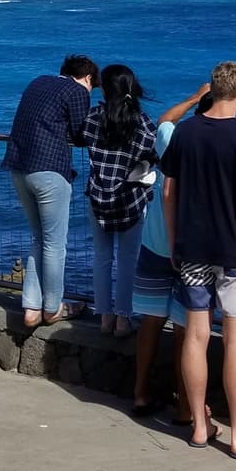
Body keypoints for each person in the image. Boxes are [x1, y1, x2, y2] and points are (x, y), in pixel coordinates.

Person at [162, 61, 236, 458]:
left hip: (192, 248)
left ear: (211, 89)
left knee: (195, 335)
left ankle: (199, 424)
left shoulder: (185, 131)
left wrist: (175, 243)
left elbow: (169, 194)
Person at [128, 84, 206, 419]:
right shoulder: (211, 148)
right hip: (190, 250)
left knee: (151, 322)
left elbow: (164, 120)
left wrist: (192, 97)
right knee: (185, 329)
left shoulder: (173, 139)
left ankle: (140, 392)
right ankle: (186, 406)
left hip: (155, 244)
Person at [3, 55, 96, 327]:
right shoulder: (77, 90)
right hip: (50, 170)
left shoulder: (38, 81)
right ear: (88, 78)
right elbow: (80, 134)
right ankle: (52, 308)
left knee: (38, 238)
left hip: (19, 167)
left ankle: (32, 308)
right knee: (55, 244)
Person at [82, 64, 158, 337]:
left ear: (104, 88)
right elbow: (153, 148)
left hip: (98, 196)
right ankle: (123, 320)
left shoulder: (93, 117)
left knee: (101, 257)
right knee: (128, 259)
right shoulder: (141, 121)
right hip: (130, 199)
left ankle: (105, 317)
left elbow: (82, 136)